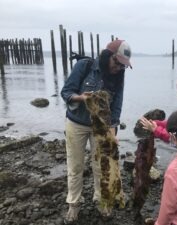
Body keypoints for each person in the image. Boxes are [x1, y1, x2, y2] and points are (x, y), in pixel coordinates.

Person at [60, 39, 132, 223]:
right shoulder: (85, 66)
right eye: (117, 63)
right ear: (108, 56)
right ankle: (74, 204)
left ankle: (102, 200)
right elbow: (66, 92)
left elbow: (116, 106)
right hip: (76, 123)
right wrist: (81, 98)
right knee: (75, 166)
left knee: (101, 166)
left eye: (123, 66)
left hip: (100, 126)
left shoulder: (119, 76)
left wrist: (113, 133)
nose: (119, 68)